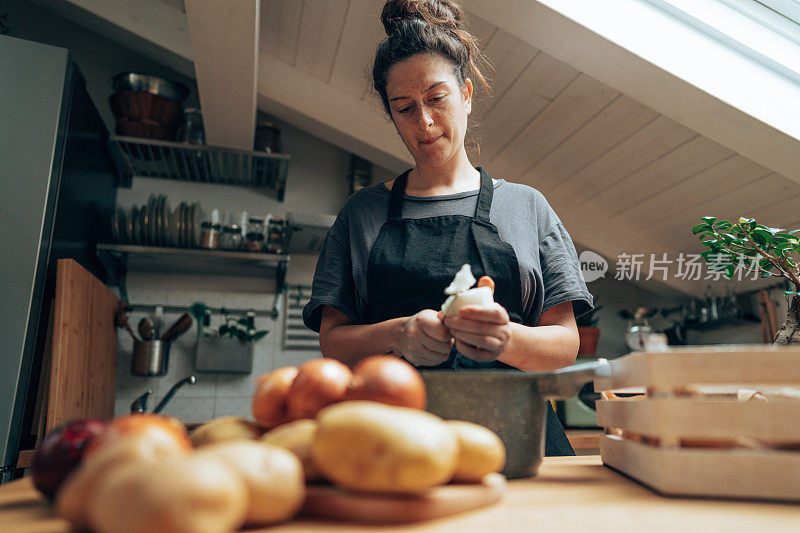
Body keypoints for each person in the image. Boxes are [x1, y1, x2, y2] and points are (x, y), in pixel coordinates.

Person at [303, 0, 593, 456]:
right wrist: (398, 334)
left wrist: (506, 338)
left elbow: (566, 345)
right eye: (404, 107)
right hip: (396, 449)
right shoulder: (362, 213)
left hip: (520, 444)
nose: (425, 122)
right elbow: (333, 344)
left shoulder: (526, 206)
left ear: (466, 93)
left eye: (436, 99)